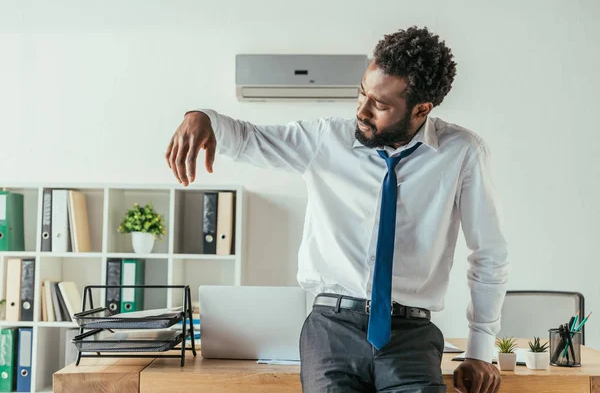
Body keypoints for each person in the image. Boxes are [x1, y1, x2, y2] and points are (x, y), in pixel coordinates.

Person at [166, 25, 508, 393]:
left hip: (410, 335)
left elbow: (488, 254)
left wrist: (480, 349)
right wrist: (202, 117)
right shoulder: (326, 140)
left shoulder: (462, 153)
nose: (361, 110)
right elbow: (249, 139)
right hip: (332, 329)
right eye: (362, 93)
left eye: (380, 104)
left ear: (421, 108)